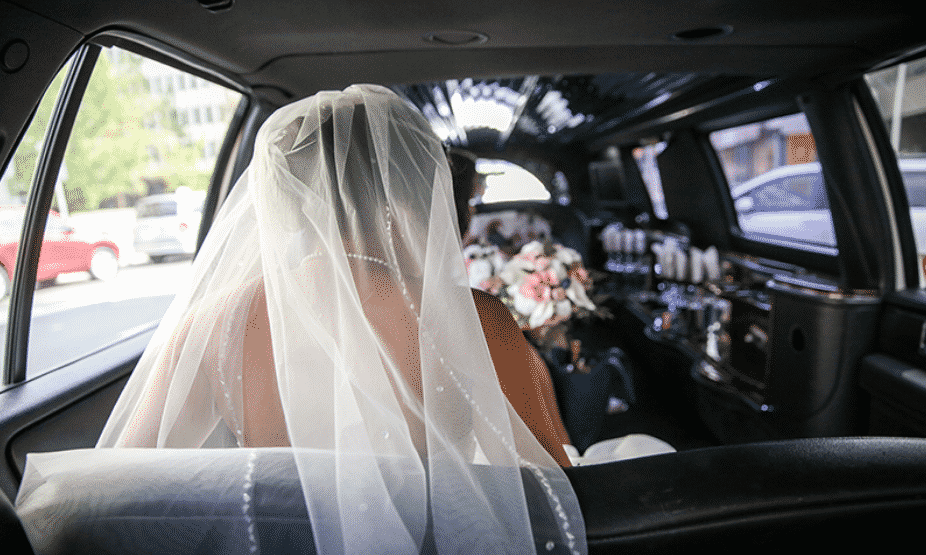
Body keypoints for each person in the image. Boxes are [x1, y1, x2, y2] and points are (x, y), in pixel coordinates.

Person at [18, 85, 586, 554]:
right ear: (414, 198)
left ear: (284, 200)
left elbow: (121, 488)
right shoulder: (477, 321)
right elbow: (553, 480)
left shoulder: (216, 322)